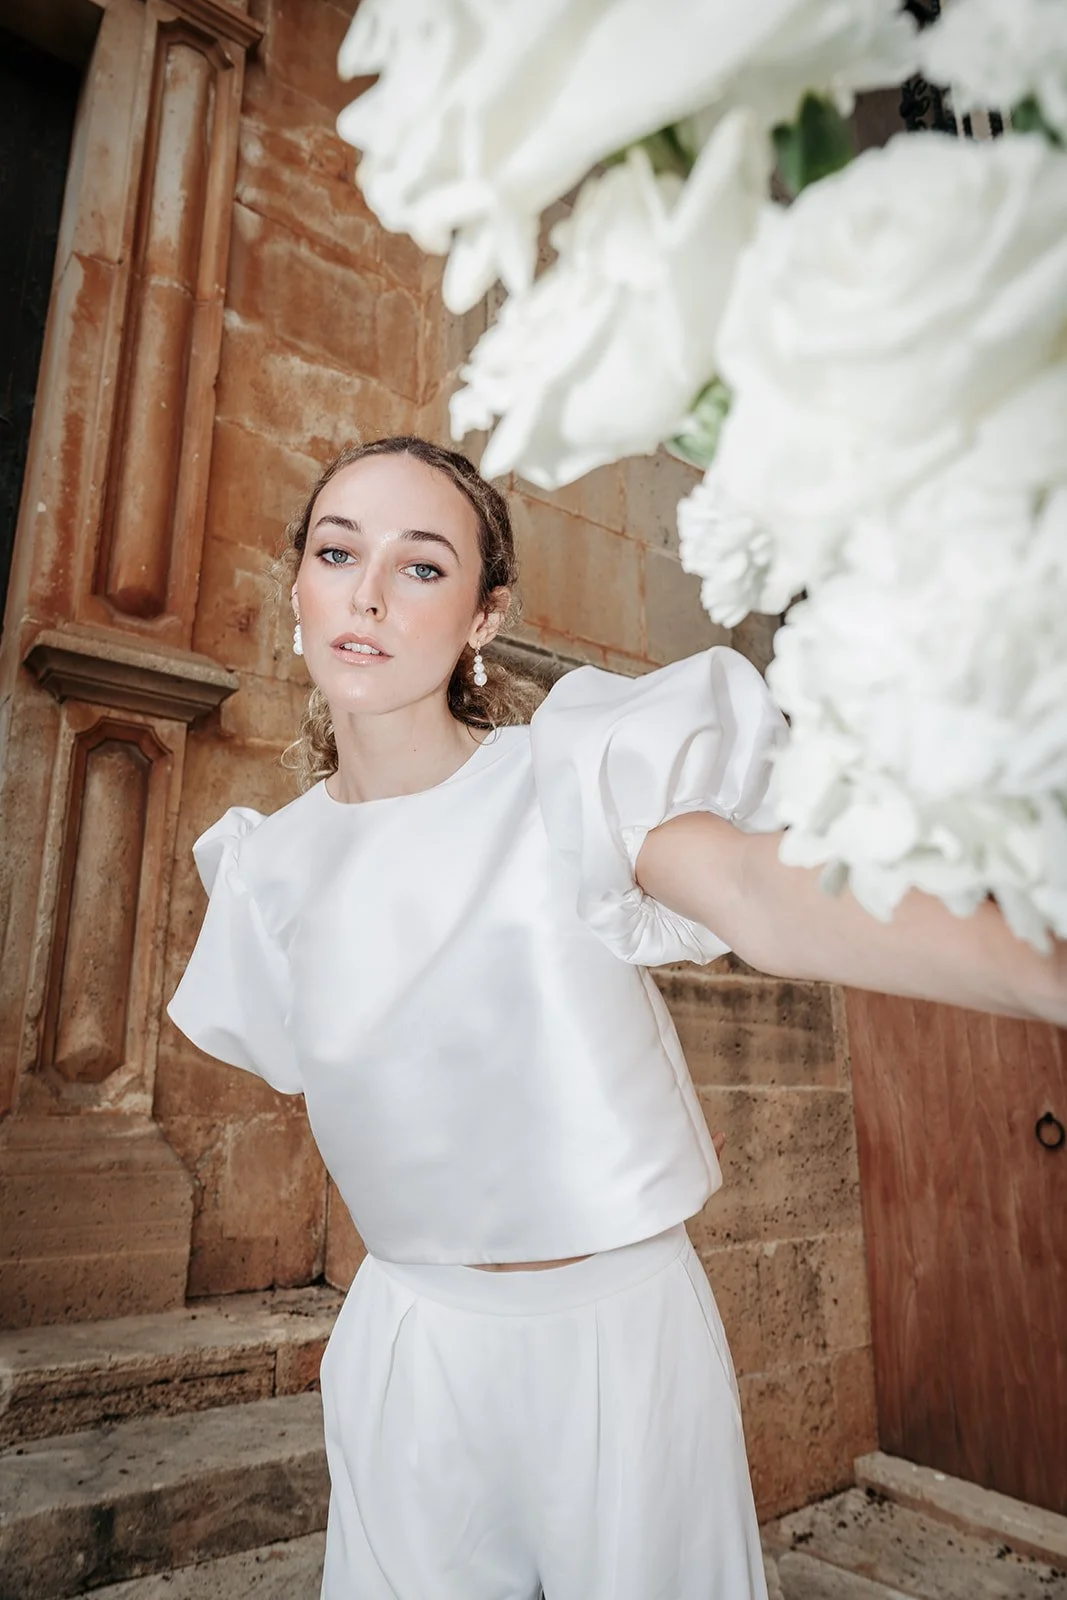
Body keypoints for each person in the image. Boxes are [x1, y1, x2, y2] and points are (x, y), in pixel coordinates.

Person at [168, 435, 1065, 1600]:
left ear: (483, 619)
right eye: (339, 552)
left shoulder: (568, 774)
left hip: (613, 1340)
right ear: (297, 584)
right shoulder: (261, 872)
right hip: (410, 1346)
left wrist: (1040, 960)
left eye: (423, 566)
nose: (370, 593)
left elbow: (760, 895)